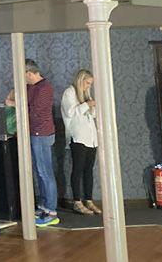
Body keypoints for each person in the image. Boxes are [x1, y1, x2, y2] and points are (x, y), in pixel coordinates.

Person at [6, 59, 58, 227]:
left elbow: (34, 112)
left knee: (45, 173)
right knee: (39, 171)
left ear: (29, 73)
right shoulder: (31, 87)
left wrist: (14, 104)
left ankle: (51, 211)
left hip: (41, 135)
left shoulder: (44, 88)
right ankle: (43, 206)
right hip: (33, 134)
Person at [61, 69, 102, 216]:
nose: (88, 86)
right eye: (87, 83)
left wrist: (92, 106)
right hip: (77, 137)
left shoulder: (86, 94)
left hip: (90, 138)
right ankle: (77, 201)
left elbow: (93, 115)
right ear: (81, 80)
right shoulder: (69, 93)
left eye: (90, 84)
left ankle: (88, 199)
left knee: (88, 169)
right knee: (77, 168)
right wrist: (87, 105)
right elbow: (70, 113)